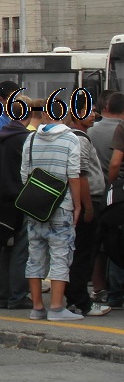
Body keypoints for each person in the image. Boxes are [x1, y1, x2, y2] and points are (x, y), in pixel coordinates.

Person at [21, 111, 83, 321]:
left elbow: (24, 173)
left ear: (47, 116)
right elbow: (73, 175)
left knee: (35, 254)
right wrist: (77, 205)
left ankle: (37, 307)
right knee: (60, 255)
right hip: (61, 206)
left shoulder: (30, 139)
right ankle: (56, 307)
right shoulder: (71, 139)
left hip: (35, 206)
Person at [64, 97, 111, 316]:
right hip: (87, 200)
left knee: (81, 253)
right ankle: (80, 301)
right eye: (87, 111)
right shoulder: (80, 139)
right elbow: (80, 174)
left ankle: (75, 297)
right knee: (84, 253)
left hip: (85, 201)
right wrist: (88, 207)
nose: (93, 114)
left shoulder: (78, 136)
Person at [0, 100, 32, 309]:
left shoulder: (3, 136)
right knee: (21, 249)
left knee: (6, 248)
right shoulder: (24, 139)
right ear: (28, 116)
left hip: (0, 199)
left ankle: (4, 295)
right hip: (18, 198)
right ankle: (17, 296)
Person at [90, 91, 124, 307]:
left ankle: (103, 289)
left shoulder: (90, 131)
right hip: (116, 194)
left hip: (101, 195)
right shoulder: (119, 128)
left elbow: (113, 164)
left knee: (103, 244)